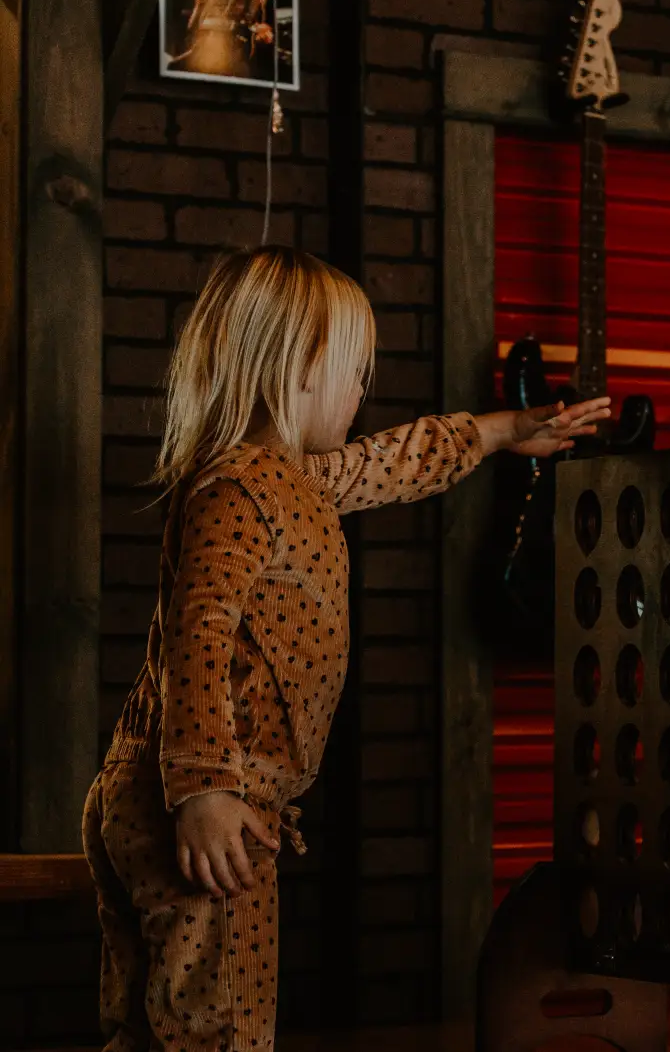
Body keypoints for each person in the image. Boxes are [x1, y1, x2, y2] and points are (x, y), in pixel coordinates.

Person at [80, 245, 610, 1051]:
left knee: (159, 1022)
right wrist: (203, 791)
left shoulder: (296, 479)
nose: (365, 389)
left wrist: (503, 431)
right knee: (219, 1025)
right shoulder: (236, 489)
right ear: (296, 365)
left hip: (198, 793)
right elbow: (200, 632)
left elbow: (391, 461)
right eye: (355, 368)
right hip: (203, 799)